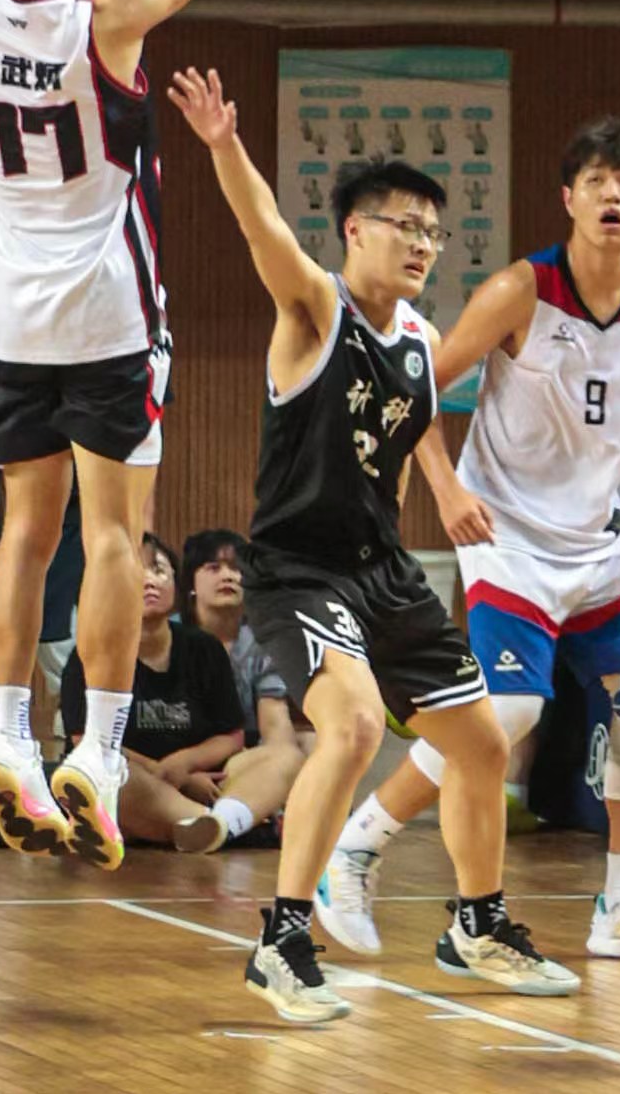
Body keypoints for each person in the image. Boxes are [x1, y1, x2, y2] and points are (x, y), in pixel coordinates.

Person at [169, 66, 570, 1021]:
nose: (423, 243)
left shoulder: (423, 343)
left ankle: (476, 925)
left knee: (481, 743)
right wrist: (224, 145)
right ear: (355, 230)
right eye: (404, 226)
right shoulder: (315, 308)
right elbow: (262, 228)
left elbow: (393, 459)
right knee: (349, 726)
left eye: (434, 231)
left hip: (381, 570)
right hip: (296, 569)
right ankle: (281, 941)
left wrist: (436, 503)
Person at [0, 0, 248, 867]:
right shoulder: (111, 16)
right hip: (107, 315)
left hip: (12, 315)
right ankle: (100, 750)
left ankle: (9, 738)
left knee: (25, 533)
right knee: (113, 533)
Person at [324, 117, 620, 966]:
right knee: (508, 713)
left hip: (599, 533)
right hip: (508, 533)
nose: (613, 194)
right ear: (568, 197)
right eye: (596, 179)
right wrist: (446, 488)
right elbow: (414, 390)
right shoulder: (520, 289)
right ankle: (356, 847)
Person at [73, 533, 255, 851]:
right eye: (135, 571)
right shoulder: (91, 653)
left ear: (176, 584)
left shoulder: (204, 647)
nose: (149, 580)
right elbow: (84, 740)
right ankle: (218, 825)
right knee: (103, 773)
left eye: (159, 570)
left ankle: (210, 824)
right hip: (138, 782)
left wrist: (185, 765)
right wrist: (165, 775)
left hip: (205, 779)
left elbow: (232, 736)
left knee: (279, 758)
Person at [185, 528, 303, 842]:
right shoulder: (174, 636)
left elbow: (275, 725)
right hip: (178, 758)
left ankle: (228, 820)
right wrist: (187, 773)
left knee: (308, 747)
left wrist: (281, 764)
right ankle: (253, 817)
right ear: (191, 584)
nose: (228, 576)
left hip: (239, 758)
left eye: (237, 569)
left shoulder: (264, 641)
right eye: (213, 567)